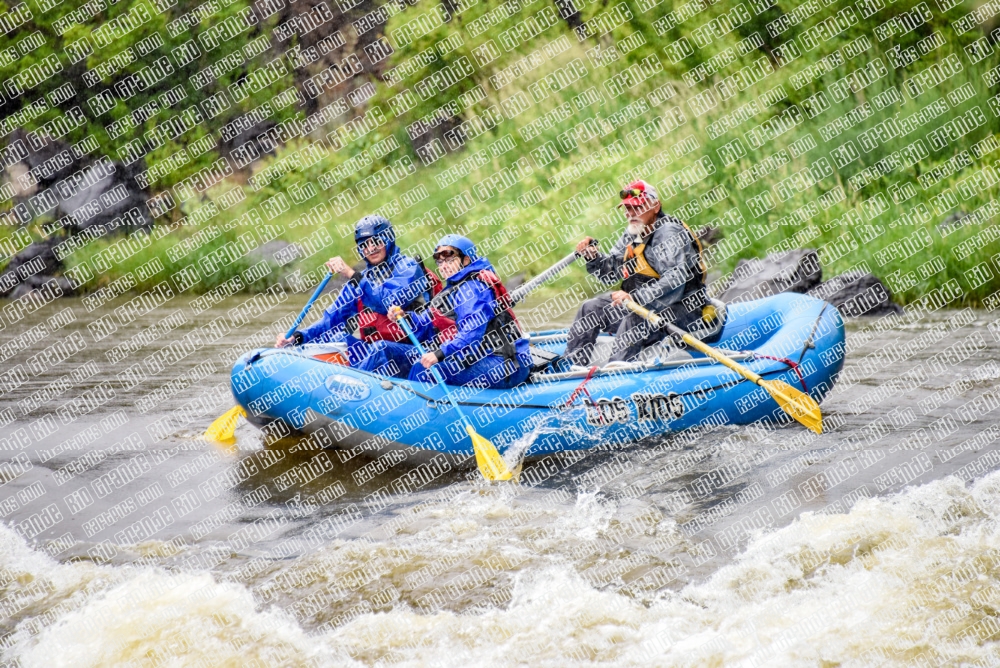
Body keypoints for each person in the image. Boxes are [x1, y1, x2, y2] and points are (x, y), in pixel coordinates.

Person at [565, 179, 721, 366]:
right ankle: (571, 368)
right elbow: (610, 274)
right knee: (590, 309)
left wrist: (635, 299)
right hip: (648, 305)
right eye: (628, 209)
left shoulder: (668, 233)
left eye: (637, 208)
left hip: (686, 310)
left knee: (636, 317)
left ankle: (618, 372)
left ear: (655, 207)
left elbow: (676, 280)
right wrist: (593, 257)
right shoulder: (634, 231)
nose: (631, 214)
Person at [275, 215, 440, 372]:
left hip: (415, 354)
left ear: (388, 240)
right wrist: (298, 337)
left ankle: (352, 391)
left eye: (376, 241)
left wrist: (351, 274)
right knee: (338, 338)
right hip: (375, 355)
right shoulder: (361, 280)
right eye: (364, 245)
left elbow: (386, 302)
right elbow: (330, 321)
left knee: (380, 348)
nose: (370, 248)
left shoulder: (409, 268)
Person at [386, 234, 532, 389]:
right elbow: (425, 327)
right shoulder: (451, 290)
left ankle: (413, 409)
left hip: (503, 364)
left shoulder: (473, 288)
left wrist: (440, 353)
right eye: (439, 261)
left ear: (466, 260)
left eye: (449, 259)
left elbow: (471, 334)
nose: (443, 265)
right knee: (385, 348)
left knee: (424, 369)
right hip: (475, 357)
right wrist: (404, 317)